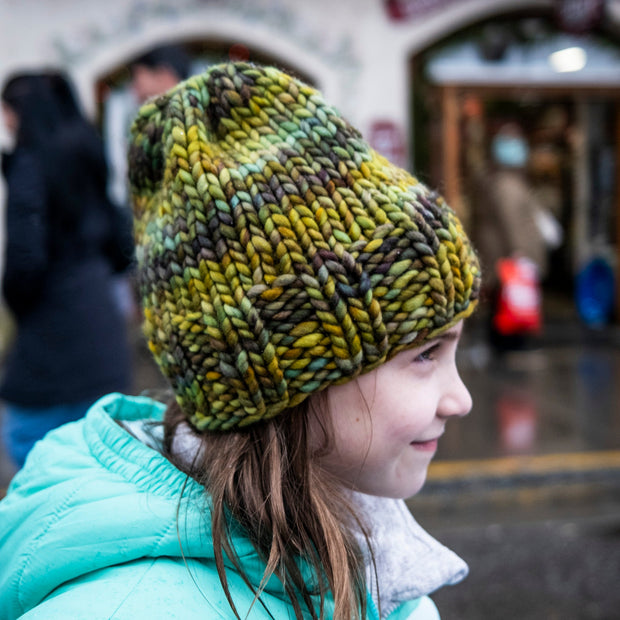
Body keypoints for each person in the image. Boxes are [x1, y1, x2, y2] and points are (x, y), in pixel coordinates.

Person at [0, 62, 480, 619]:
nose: (462, 398)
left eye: (452, 350)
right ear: (281, 380)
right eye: (425, 354)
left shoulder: (373, 550)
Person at [0, 71, 133, 468]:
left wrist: (17, 302)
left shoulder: (31, 164)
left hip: (51, 342)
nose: (5, 120)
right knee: (101, 457)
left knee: (34, 454)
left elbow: (26, 257)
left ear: (23, 111)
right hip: (101, 328)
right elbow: (119, 241)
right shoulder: (87, 154)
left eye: (7, 109)